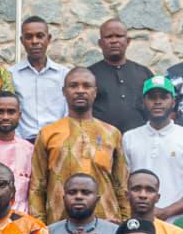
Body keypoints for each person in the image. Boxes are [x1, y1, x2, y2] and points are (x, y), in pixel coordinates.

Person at [31, 67, 129, 223]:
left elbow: (121, 185)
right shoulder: (47, 134)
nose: (80, 91)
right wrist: (40, 226)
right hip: (59, 223)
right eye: (74, 86)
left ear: (95, 92)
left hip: (108, 222)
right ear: (64, 91)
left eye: (86, 86)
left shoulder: (112, 134)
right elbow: (37, 186)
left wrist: (125, 222)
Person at [125, 75, 183, 218]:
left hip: (177, 222)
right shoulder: (129, 137)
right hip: (137, 223)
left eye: (163, 97)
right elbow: (122, 184)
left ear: (173, 102)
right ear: (143, 102)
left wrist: (167, 212)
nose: (157, 102)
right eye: (152, 97)